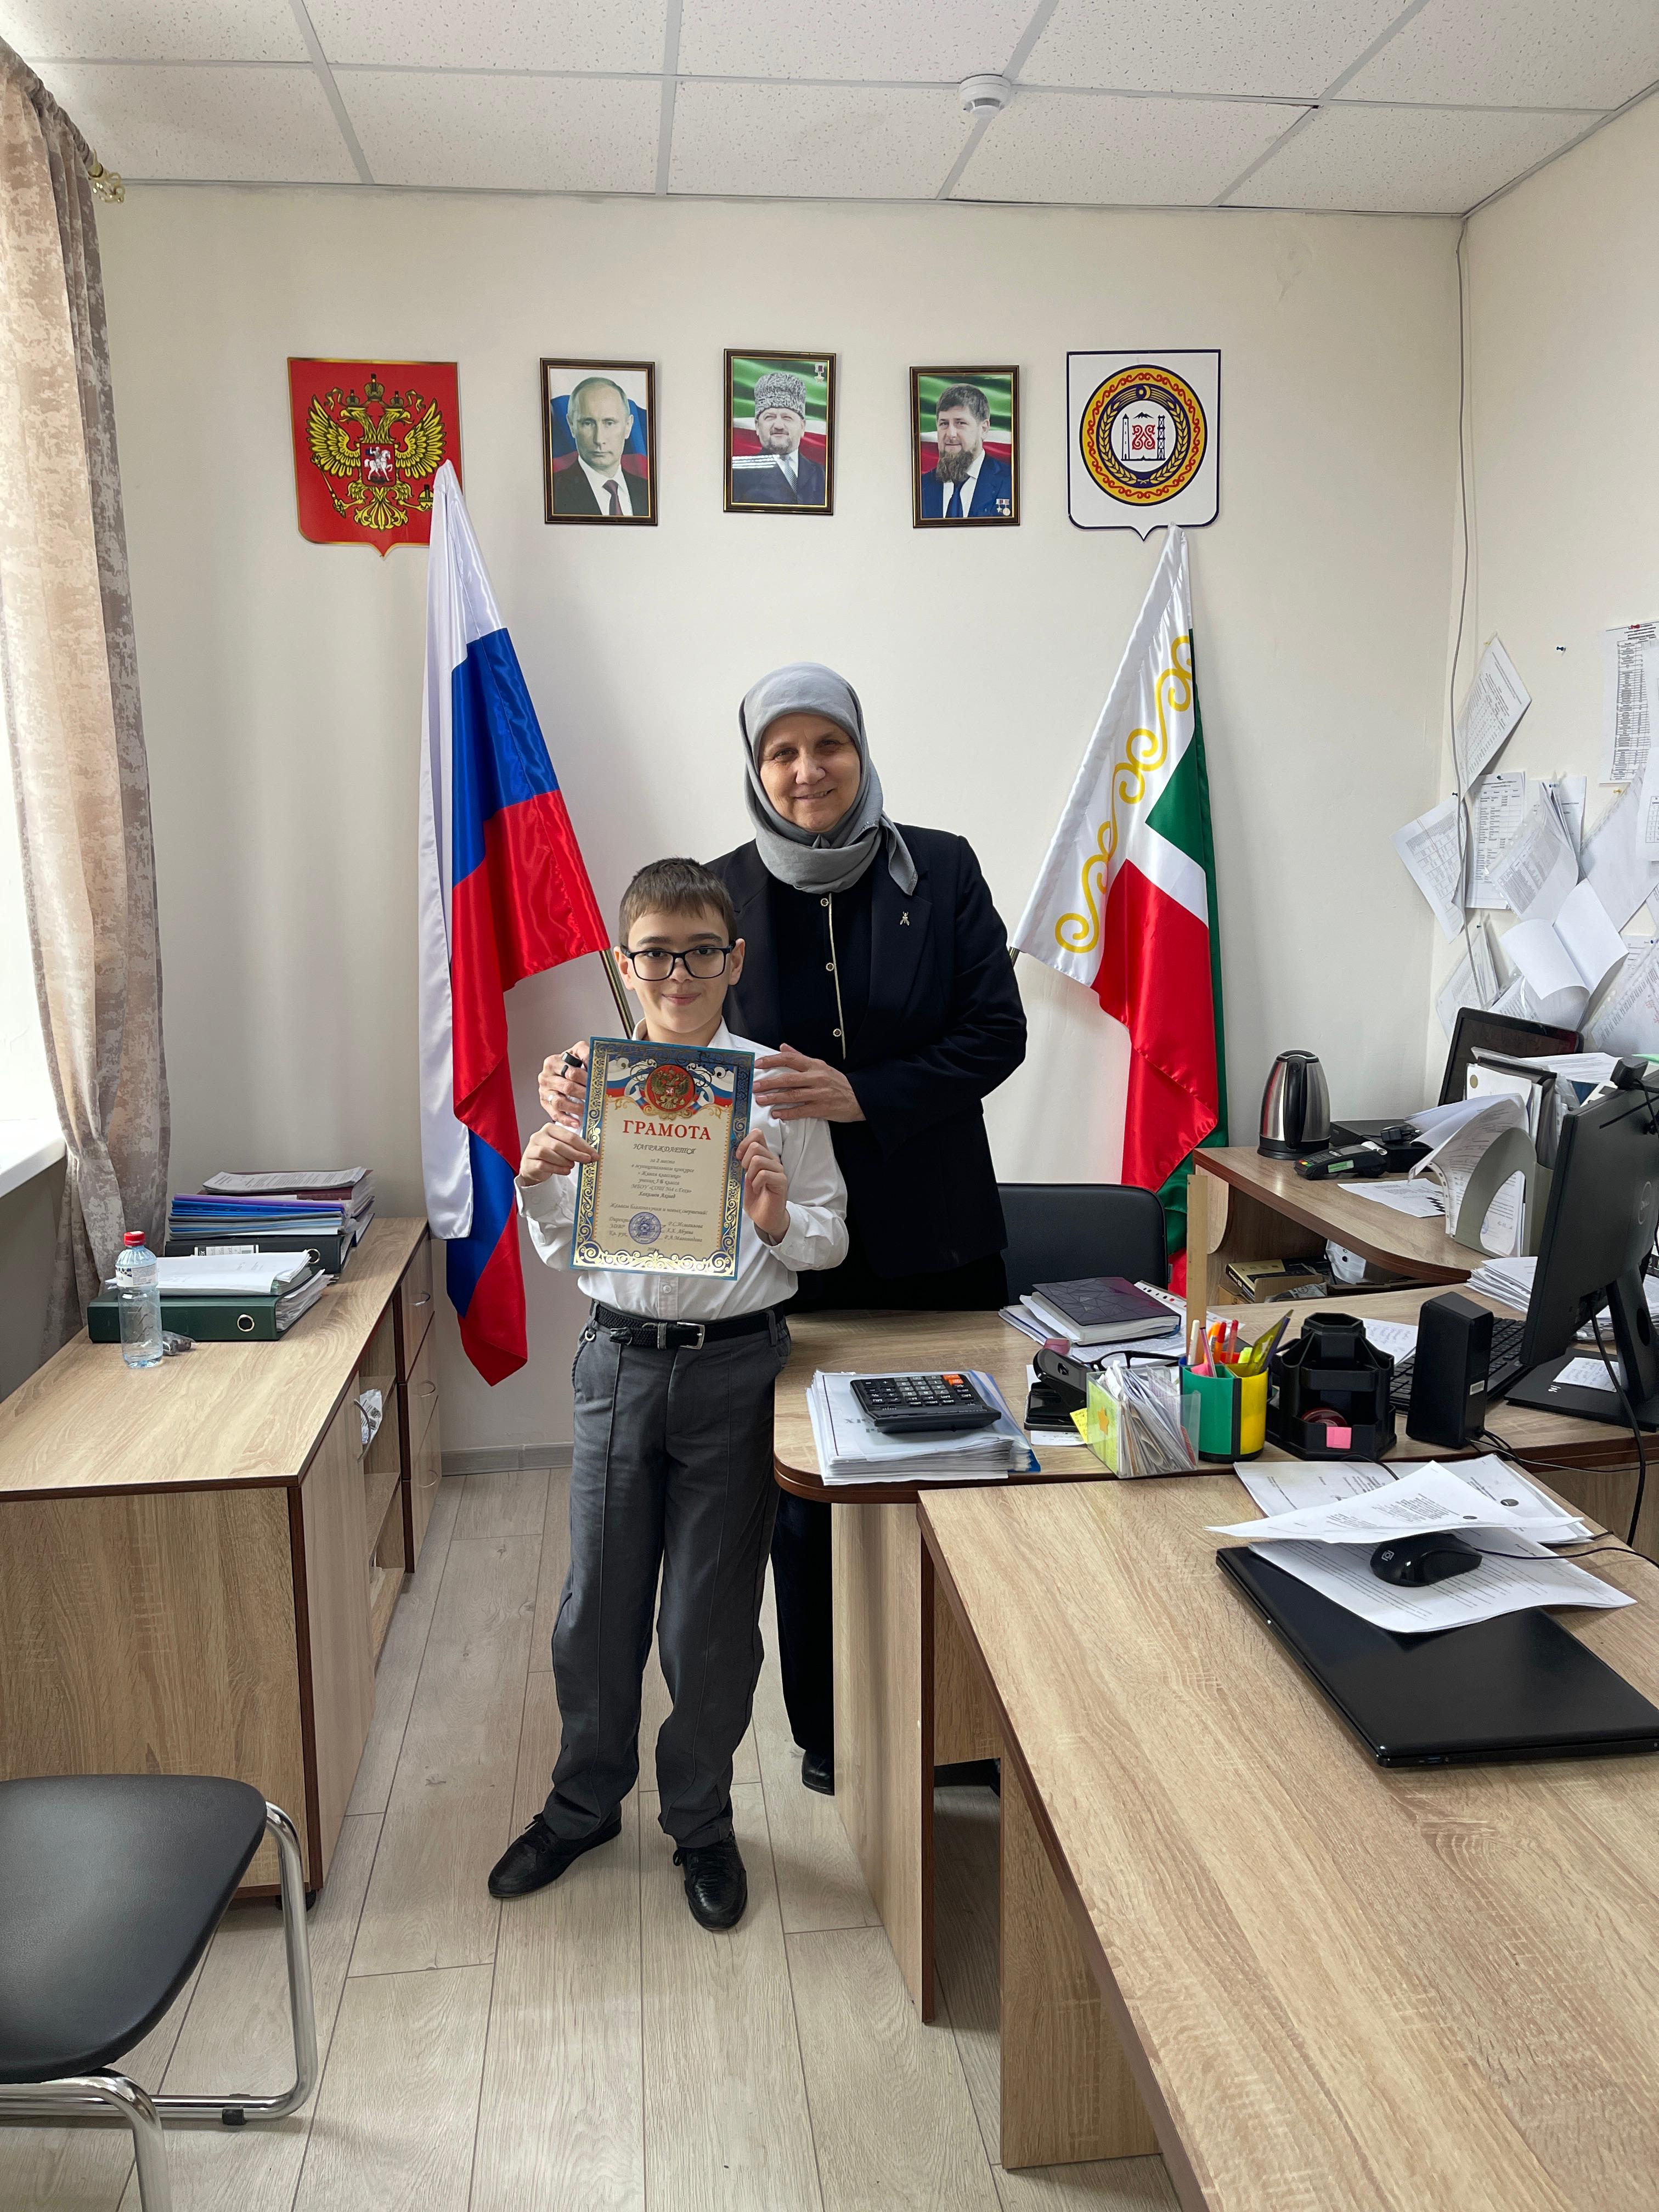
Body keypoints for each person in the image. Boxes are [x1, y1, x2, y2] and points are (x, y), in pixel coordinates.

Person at [489, 857, 848, 1929]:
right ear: (624, 963)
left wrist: (777, 1216)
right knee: (595, 1610)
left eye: (699, 954)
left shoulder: (773, 1085)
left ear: (733, 961)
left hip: (736, 1369)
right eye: (656, 955)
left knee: (708, 1622)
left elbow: (829, 1237)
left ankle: (700, 1818)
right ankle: (582, 1803)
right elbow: (566, 1250)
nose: (678, 975)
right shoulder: (589, 1082)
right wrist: (541, 1176)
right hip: (617, 1364)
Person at [711, 663, 1026, 1792]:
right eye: (782, 751)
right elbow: (678, 1040)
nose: (808, 770)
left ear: (859, 747)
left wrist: (864, 1094)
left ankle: (970, 1727)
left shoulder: (940, 868)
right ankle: (830, 1732)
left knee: (965, 1483)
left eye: (827, 744)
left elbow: (996, 1033)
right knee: (811, 1503)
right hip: (791, 1244)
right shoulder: (721, 891)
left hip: (940, 1234)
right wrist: (582, 1084)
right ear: (756, 767)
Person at [554, 374, 646, 516]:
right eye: (588, 423)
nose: (599, 439)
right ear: (572, 426)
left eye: (609, 423)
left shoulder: (648, 491)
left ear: (628, 426)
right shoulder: (553, 492)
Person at [918, 383, 1013, 520]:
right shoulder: (920, 487)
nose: (951, 434)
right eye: (944, 423)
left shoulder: (1010, 482)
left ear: (984, 429)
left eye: (960, 423)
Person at [733, 369, 827, 507]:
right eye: (770, 417)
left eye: (787, 417)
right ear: (757, 426)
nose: (778, 425)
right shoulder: (737, 475)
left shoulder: (823, 475)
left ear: (802, 427)